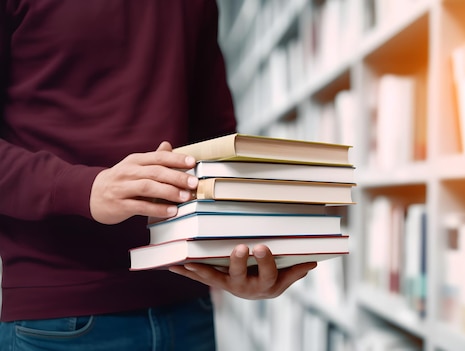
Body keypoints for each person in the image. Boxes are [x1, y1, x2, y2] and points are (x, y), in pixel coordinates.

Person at [0, 1, 316, 350]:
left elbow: (213, 140)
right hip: (59, 316)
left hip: (188, 307)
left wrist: (236, 256)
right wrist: (84, 189)